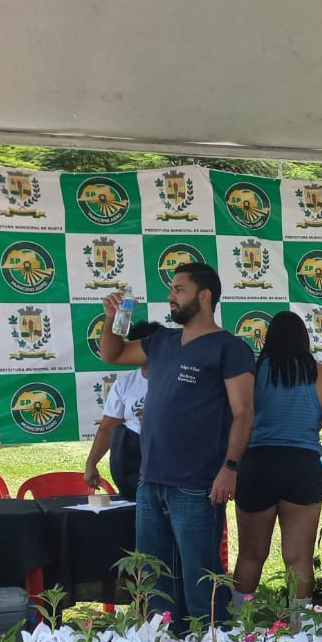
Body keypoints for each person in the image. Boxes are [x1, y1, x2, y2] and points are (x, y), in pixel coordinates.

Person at [99, 263, 254, 620]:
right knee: (153, 578)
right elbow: (114, 354)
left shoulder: (229, 348)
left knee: (201, 579)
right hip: (151, 479)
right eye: (171, 288)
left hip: (197, 485)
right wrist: (112, 320)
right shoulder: (162, 341)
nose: (171, 295)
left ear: (204, 296)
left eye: (179, 289)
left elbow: (243, 413)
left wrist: (230, 469)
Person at [232, 312, 322, 600]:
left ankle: (237, 629)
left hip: (257, 465)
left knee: (250, 554)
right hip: (301, 466)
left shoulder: (252, 372)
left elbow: (236, 416)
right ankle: (301, 632)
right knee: (298, 558)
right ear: (304, 339)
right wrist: (314, 420)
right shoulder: (320, 373)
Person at [84, 321, 160, 500]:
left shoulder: (180, 378)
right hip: (134, 463)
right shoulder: (125, 384)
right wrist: (91, 463)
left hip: (170, 461)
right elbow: (108, 428)